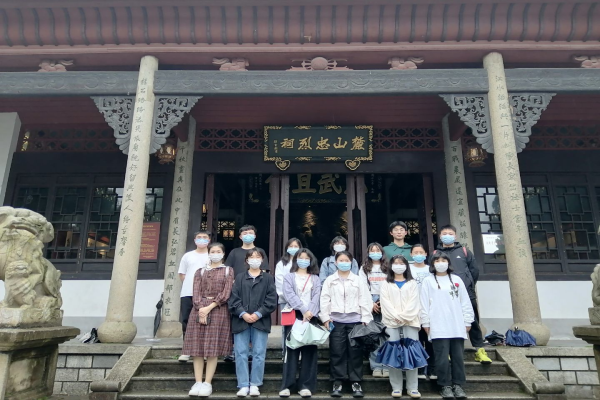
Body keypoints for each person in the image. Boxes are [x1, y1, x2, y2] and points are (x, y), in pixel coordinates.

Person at [434, 224, 492, 365]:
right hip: (445, 295)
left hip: (466, 292)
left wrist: (468, 285)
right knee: (446, 320)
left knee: (473, 320)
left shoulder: (464, 251)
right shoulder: (436, 253)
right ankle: (448, 352)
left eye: (450, 233)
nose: (447, 236)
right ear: (440, 236)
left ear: (455, 236)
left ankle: (479, 350)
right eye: (444, 233)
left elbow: (474, 271)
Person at [420, 253, 474, 400]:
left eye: (443, 260)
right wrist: (426, 322)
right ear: (432, 264)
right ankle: (445, 385)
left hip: (456, 324)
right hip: (438, 325)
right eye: (437, 260)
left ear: (448, 263)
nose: (440, 263)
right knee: (441, 358)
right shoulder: (428, 281)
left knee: (458, 357)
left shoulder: (456, 280)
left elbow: (465, 301)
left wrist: (467, 321)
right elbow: (424, 303)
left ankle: (458, 384)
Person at [183, 242, 234, 397]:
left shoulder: (228, 271)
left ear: (223, 254)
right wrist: (200, 308)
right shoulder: (200, 271)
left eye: (218, 251)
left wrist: (209, 307)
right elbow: (196, 291)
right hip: (198, 310)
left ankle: (207, 382)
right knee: (197, 348)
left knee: (213, 348)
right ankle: (198, 381)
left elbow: (226, 293)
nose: (215, 254)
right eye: (213, 251)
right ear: (209, 253)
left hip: (218, 309)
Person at [320, 251, 373, 398]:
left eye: (346, 260)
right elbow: (324, 299)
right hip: (336, 321)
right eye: (341, 260)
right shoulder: (330, 280)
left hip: (355, 321)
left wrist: (366, 318)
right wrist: (325, 318)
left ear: (351, 262)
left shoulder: (358, 280)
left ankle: (356, 382)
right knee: (337, 352)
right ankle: (337, 382)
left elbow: (365, 299)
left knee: (355, 352)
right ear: (336, 263)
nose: (344, 263)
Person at [229, 249, 278, 398]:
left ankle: (255, 384)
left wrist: (258, 313)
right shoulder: (240, 277)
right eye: (252, 257)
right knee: (240, 353)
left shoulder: (268, 278)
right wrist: (243, 313)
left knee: (259, 353)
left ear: (262, 260)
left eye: (258, 257)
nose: (255, 259)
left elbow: (272, 299)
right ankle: (243, 384)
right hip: (240, 320)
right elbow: (233, 299)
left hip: (260, 321)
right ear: (247, 260)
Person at [279, 248, 322, 398]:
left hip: (311, 315)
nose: (303, 260)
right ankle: (287, 385)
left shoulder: (315, 278)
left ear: (311, 261)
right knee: (291, 350)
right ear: (296, 260)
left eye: (306, 258)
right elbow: (289, 294)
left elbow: (317, 296)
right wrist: (303, 310)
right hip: (294, 314)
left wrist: (310, 312)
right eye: (300, 258)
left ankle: (306, 385)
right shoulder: (289, 277)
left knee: (309, 351)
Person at [224, 224, 270, 362]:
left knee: (255, 322)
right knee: (237, 320)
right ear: (240, 236)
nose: (247, 235)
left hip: (257, 291)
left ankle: (252, 350)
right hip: (238, 290)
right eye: (245, 233)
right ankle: (233, 350)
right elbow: (228, 271)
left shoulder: (260, 251)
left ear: (255, 235)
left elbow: (264, 271)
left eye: (250, 233)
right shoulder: (234, 252)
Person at [380, 255, 422, 399]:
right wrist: (396, 316)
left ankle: (413, 387)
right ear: (391, 266)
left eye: (401, 263)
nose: (398, 266)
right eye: (395, 263)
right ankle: (396, 387)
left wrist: (404, 317)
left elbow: (414, 302)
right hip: (391, 322)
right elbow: (385, 303)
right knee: (394, 354)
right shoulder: (386, 283)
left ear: (406, 266)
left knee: (412, 353)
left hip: (410, 321)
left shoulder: (412, 283)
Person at [177, 230, 211, 363]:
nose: (202, 239)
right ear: (194, 240)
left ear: (209, 240)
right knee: (186, 320)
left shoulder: (212, 255)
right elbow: (182, 274)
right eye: (199, 237)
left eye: (204, 237)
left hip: (206, 295)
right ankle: (187, 351)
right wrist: (192, 286)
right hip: (188, 292)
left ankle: (204, 351)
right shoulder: (188, 256)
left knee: (205, 321)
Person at [358, 242, 389, 378]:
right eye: (372, 250)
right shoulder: (364, 268)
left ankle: (386, 366)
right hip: (370, 300)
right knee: (373, 335)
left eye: (378, 250)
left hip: (386, 300)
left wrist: (384, 301)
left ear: (382, 252)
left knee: (387, 335)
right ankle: (376, 366)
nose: (375, 253)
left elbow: (392, 283)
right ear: (368, 253)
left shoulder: (388, 267)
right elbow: (362, 286)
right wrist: (370, 303)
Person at [409, 244, 435, 378]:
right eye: (415, 252)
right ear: (411, 255)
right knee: (417, 340)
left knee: (430, 340)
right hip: (413, 309)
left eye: (421, 252)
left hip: (430, 309)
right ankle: (419, 368)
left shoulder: (431, 269)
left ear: (426, 254)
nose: (418, 255)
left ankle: (432, 369)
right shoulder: (408, 269)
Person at [275, 238, 303, 353]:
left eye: (296, 246)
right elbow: (279, 282)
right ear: (287, 248)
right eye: (291, 246)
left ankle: (299, 352)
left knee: (301, 326)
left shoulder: (303, 262)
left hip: (302, 302)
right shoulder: (281, 264)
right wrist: (290, 298)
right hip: (286, 301)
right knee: (286, 327)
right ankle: (286, 352)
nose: (293, 248)